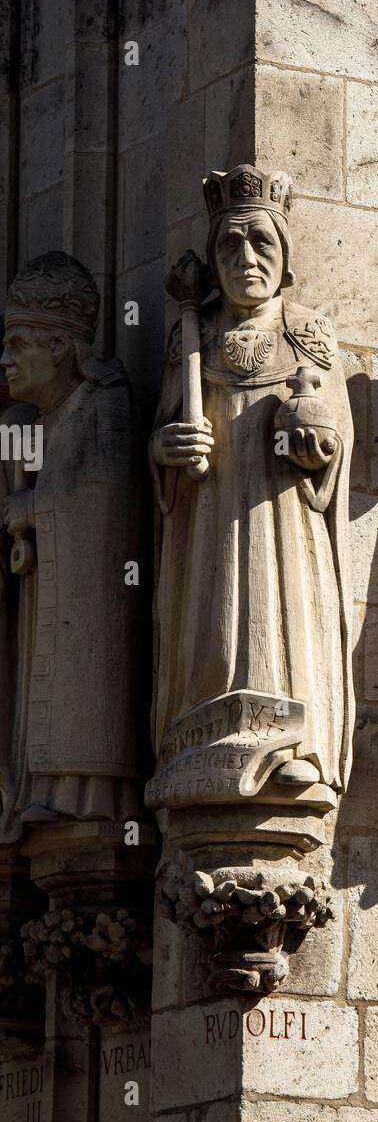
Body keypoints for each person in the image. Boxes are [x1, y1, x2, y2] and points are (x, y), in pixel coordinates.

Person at [148, 164, 353, 811]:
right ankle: (205, 738)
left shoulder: (311, 338)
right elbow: (163, 431)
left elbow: (337, 445)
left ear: (284, 256)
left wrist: (316, 447)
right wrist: (166, 449)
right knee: (211, 621)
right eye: (229, 244)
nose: (245, 257)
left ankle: (294, 748)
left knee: (283, 617)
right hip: (207, 523)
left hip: (285, 525)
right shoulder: (192, 338)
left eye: (260, 242)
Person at [0, 251, 144, 842]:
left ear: (60, 346)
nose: (5, 360)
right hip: (52, 590)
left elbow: (107, 499)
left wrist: (32, 510)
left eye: (17, 344)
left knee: (85, 690)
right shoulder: (35, 423)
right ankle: (42, 791)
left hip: (93, 592)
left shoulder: (103, 402)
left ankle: (91, 800)